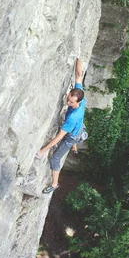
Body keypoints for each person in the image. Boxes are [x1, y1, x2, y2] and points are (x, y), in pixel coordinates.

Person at [36, 56, 86, 194]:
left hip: (71, 135)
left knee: (56, 158)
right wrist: (78, 58)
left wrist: (43, 150)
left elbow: (59, 138)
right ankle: (76, 145)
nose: (68, 103)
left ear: (77, 102)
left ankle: (54, 184)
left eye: (71, 103)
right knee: (77, 130)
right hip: (79, 126)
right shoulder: (80, 94)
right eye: (68, 99)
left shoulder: (72, 118)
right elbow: (78, 75)